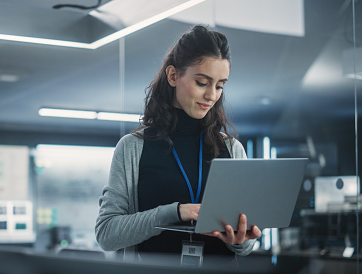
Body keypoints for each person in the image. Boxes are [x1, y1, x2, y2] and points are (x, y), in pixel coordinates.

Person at [95, 25, 262, 261]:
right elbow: (107, 234)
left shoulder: (233, 150)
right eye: (202, 82)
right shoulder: (133, 147)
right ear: (173, 76)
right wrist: (176, 212)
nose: (212, 95)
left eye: (220, 85)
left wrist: (242, 241)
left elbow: (245, 247)